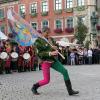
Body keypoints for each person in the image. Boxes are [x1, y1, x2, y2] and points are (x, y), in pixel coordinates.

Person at [31, 27, 79, 96]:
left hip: (53, 60)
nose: (48, 34)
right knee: (46, 80)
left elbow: (56, 46)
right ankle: (34, 87)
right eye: (47, 33)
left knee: (64, 71)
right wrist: (50, 53)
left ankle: (70, 90)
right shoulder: (38, 41)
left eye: (49, 33)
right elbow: (39, 54)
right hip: (45, 61)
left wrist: (56, 47)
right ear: (42, 32)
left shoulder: (51, 39)